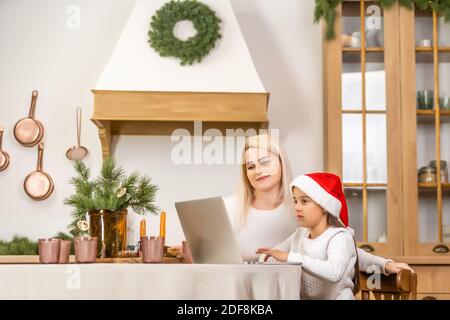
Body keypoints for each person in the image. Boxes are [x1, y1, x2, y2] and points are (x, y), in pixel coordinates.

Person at [223, 134, 413, 275]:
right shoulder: (228, 208)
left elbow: (344, 248)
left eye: (265, 162)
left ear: (282, 163)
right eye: (250, 166)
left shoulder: (306, 208)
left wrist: (383, 264)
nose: (258, 171)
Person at [257, 172, 358, 300]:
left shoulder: (340, 237)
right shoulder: (299, 234)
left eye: (304, 201)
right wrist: (265, 259)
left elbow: (334, 272)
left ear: (324, 206)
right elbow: (273, 255)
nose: (297, 207)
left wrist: (288, 257)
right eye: (295, 201)